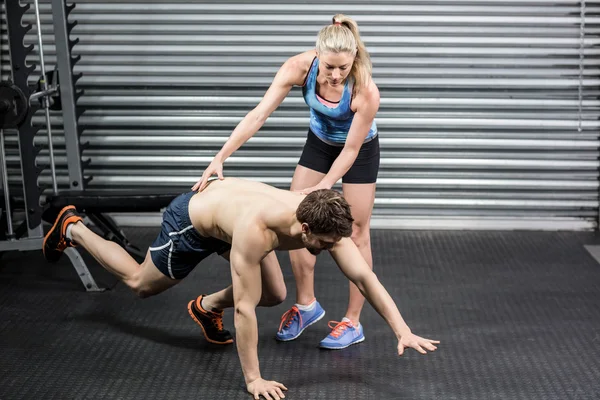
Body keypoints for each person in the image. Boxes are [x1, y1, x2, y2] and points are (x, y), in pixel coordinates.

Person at [43, 177, 439, 400]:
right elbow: (246, 310)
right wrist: (254, 380)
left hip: (230, 211)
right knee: (139, 283)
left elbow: (365, 278)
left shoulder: (322, 218)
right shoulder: (257, 233)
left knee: (275, 294)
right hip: (193, 223)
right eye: (323, 243)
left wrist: (401, 328)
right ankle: (72, 227)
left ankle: (205, 307)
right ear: (304, 230)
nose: (329, 250)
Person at [192, 14, 381, 349]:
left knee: (355, 231)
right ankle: (307, 305)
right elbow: (259, 114)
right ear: (317, 55)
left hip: (359, 152)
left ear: (354, 59)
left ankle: (353, 321)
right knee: (300, 217)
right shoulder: (298, 68)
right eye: (329, 67)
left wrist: (324, 185)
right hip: (320, 143)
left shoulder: (365, 90)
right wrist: (220, 156)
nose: (336, 76)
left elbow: (351, 149)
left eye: (343, 68)